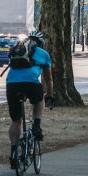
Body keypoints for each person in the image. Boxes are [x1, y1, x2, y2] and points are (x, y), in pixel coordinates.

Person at [5, 30, 54, 169]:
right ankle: (36, 125)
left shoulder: (17, 50)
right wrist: (50, 95)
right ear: (41, 43)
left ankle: (14, 152)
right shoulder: (43, 54)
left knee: (15, 120)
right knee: (40, 100)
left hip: (12, 84)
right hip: (31, 83)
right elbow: (48, 79)